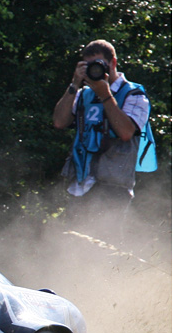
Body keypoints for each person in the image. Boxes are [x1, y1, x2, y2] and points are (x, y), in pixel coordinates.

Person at [53, 39, 156, 211]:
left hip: (114, 188)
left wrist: (105, 95)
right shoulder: (83, 94)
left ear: (113, 62)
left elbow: (125, 133)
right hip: (80, 185)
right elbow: (59, 122)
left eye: (99, 64)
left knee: (106, 238)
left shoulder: (134, 95)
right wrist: (74, 84)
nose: (95, 69)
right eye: (89, 65)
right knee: (72, 237)